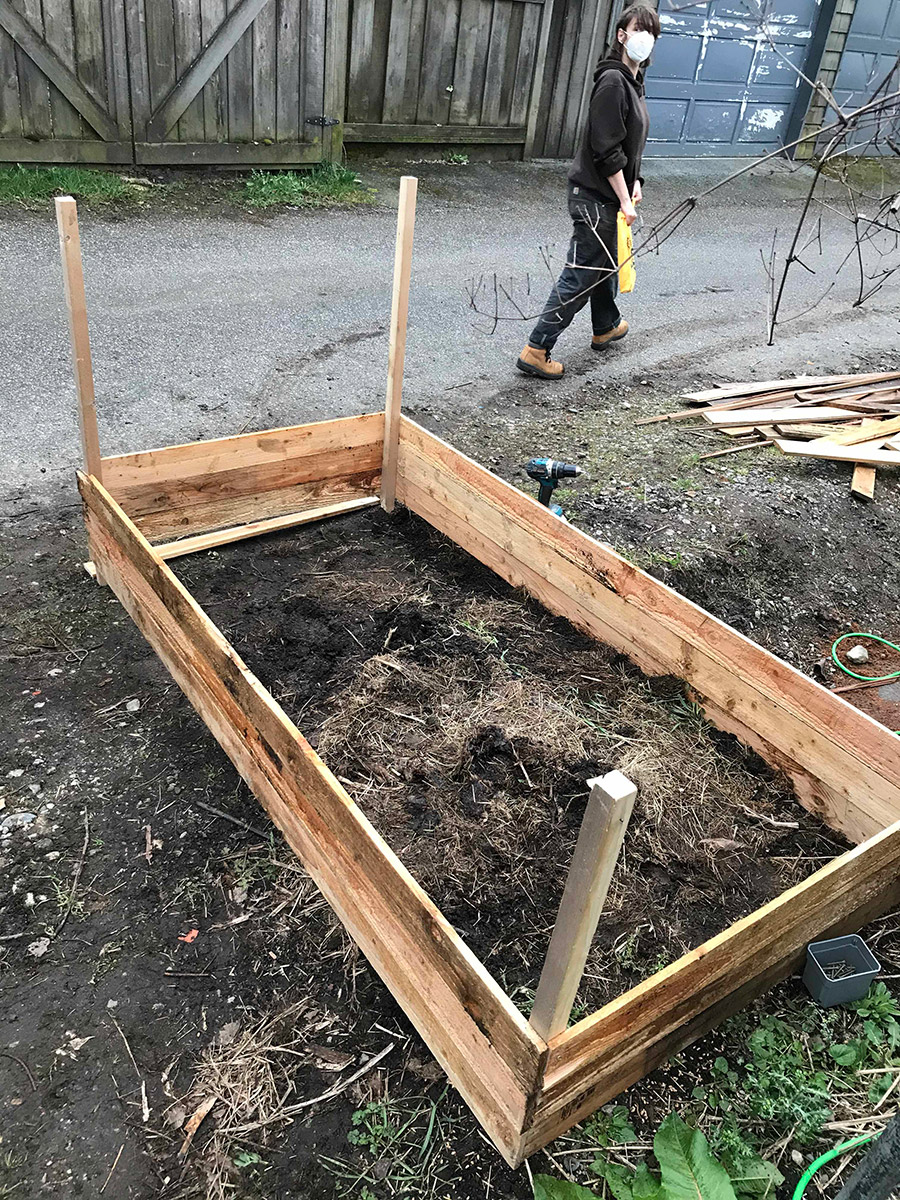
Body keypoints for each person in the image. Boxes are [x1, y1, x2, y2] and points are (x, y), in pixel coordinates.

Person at [516, 3, 659, 379]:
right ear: (621, 35)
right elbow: (606, 148)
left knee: (604, 263)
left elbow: (630, 144)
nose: (645, 38)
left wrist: (636, 181)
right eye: (638, 30)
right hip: (594, 196)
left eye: (652, 33)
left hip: (607, 194)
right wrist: (625, 200)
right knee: (582, 271)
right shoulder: (613, 81)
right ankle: (536, 349)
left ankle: (605, 325)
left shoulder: (632, 82)